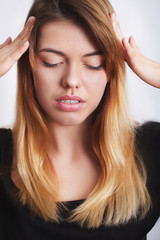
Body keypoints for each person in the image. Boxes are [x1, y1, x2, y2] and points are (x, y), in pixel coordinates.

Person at [0, 0, 159, 239]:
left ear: (111, 70)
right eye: (51, 62)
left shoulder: (152, 149)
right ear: (29, 64)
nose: (72, 80)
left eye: (94, 64)